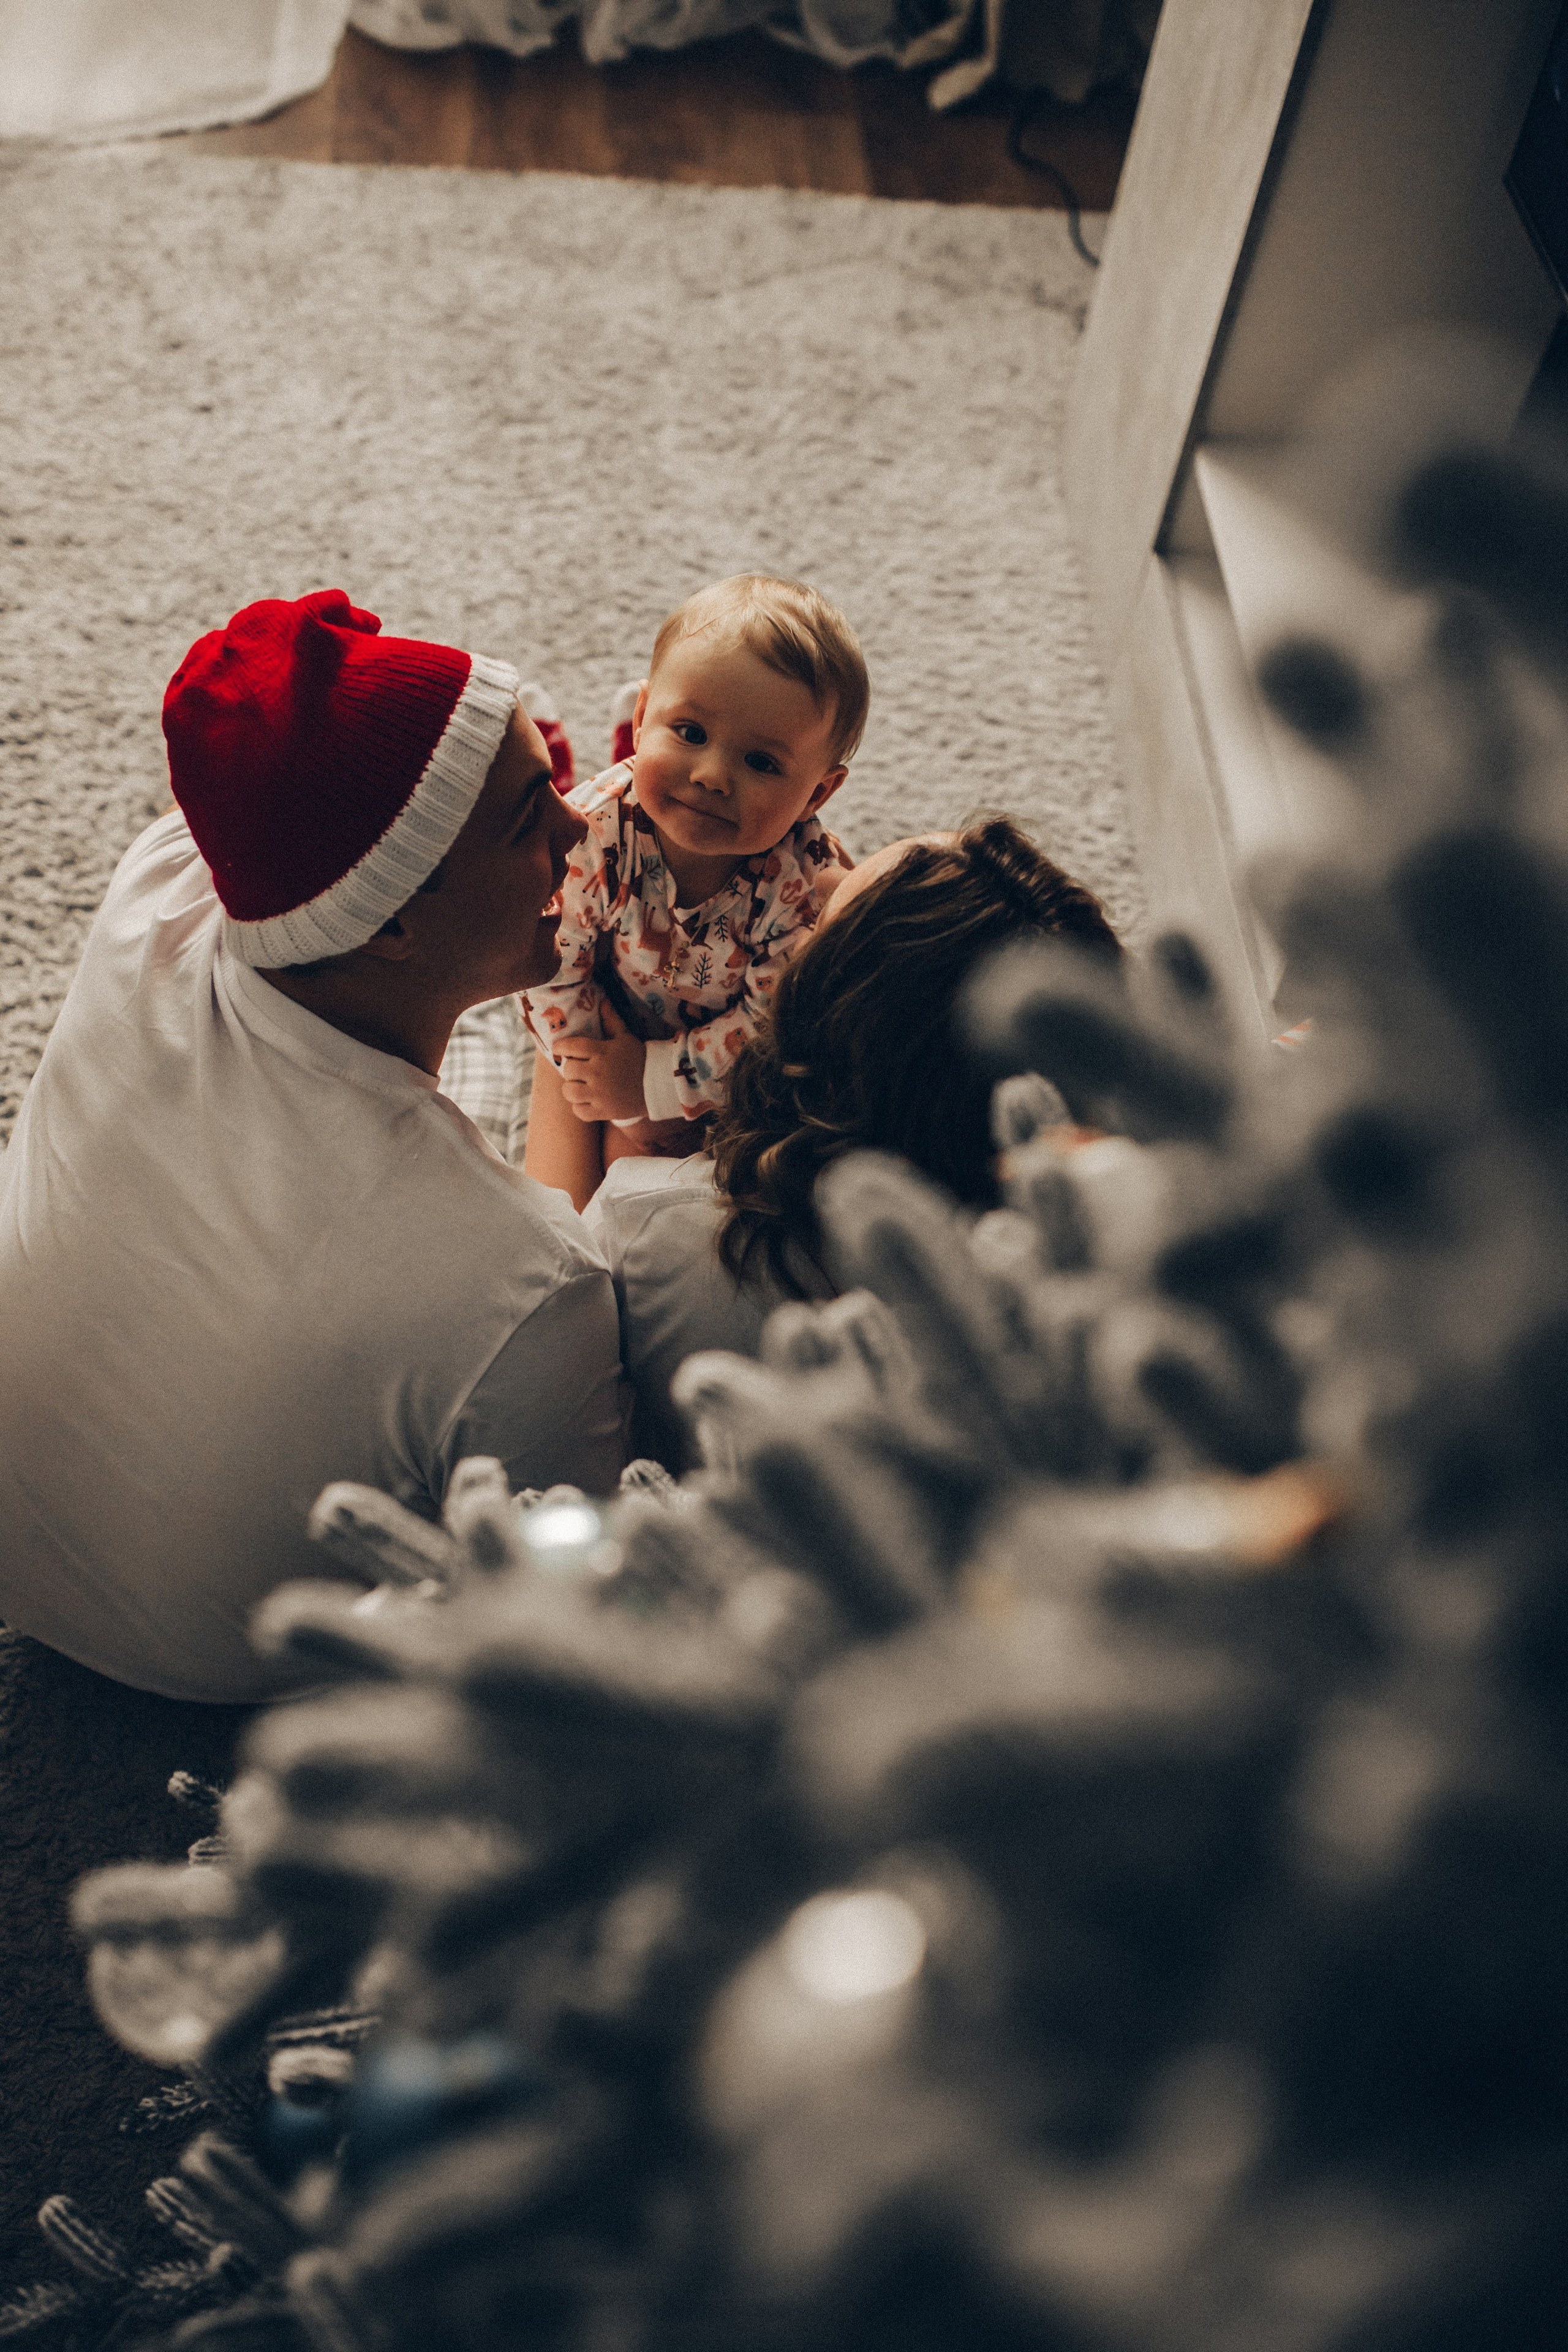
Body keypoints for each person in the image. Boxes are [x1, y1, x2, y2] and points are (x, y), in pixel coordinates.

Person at [0, 590, 627, 1703]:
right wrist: (603, 1057)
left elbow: (303, 780)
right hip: (223, 1673)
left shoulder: (161, 885)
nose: (585, 829)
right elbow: (573, 1601)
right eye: (536, 815)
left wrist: (503, 789)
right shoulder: (530, 1279)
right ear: (389, 923)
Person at [583, 815, 1122, 1469]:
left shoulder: (649, 1227)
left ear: (821, 1015)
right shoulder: (1097, 1286)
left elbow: (557, 1277)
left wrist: (581, 1002)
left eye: (823, 921)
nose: (817, 876)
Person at [520, 575, 862, 1213]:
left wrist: (657, 1082)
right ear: (651, 708)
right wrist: (603, 1075)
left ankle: (650, 753)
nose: (711, 777)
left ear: (816, 794)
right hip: (609, 1008)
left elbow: (772, 1019)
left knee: (703, 1195)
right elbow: (550, 969)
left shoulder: (801, 881)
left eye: (761, 763)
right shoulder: (590, 835)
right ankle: (583, 772)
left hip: (714, 1046)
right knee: (560, 1202)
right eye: (690, 732)